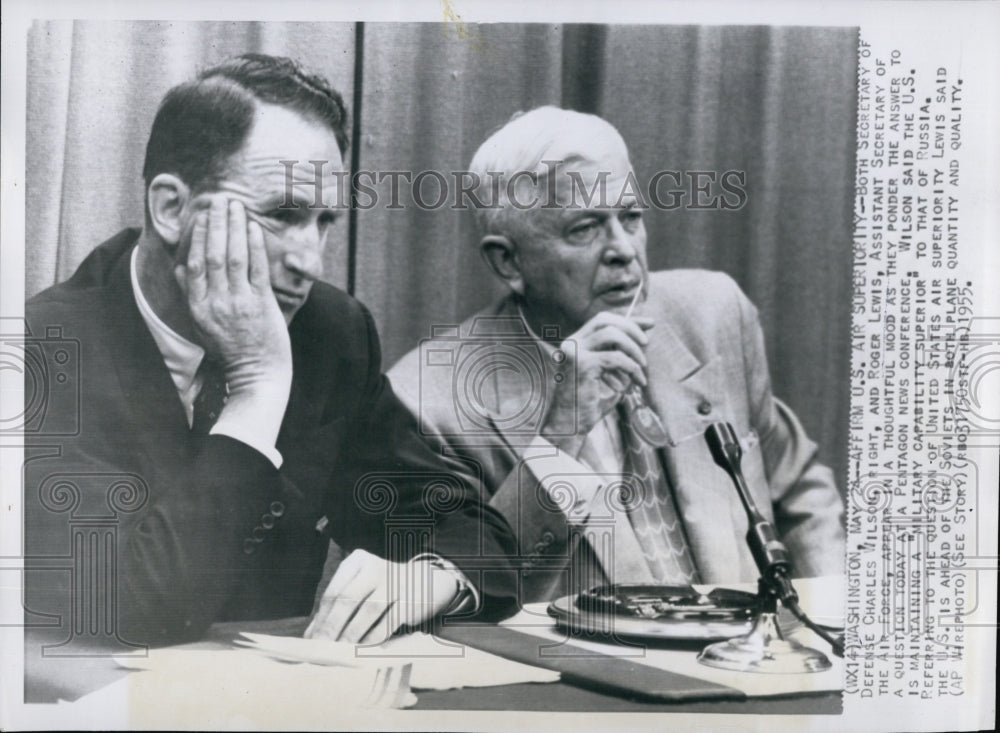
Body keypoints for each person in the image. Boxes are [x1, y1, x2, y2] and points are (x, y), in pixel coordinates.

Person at [23, 54, 517, 649]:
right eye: (282, 214)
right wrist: (258, 386)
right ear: (172, 208)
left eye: (324, 221)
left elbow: (474, 531)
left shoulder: (330, 334)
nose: (311, 261)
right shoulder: (42, 353)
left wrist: (434, 577)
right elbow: (133, 605)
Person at [388, 106, 846, 603]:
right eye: (585, 228)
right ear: (508, 262)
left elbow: (797, 488)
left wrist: (832, 618)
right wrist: (560, 434)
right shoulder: (427, 404)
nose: (624, 249)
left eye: (630, 217)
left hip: (750, 644)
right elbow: (474, 591)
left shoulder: (713, 314)